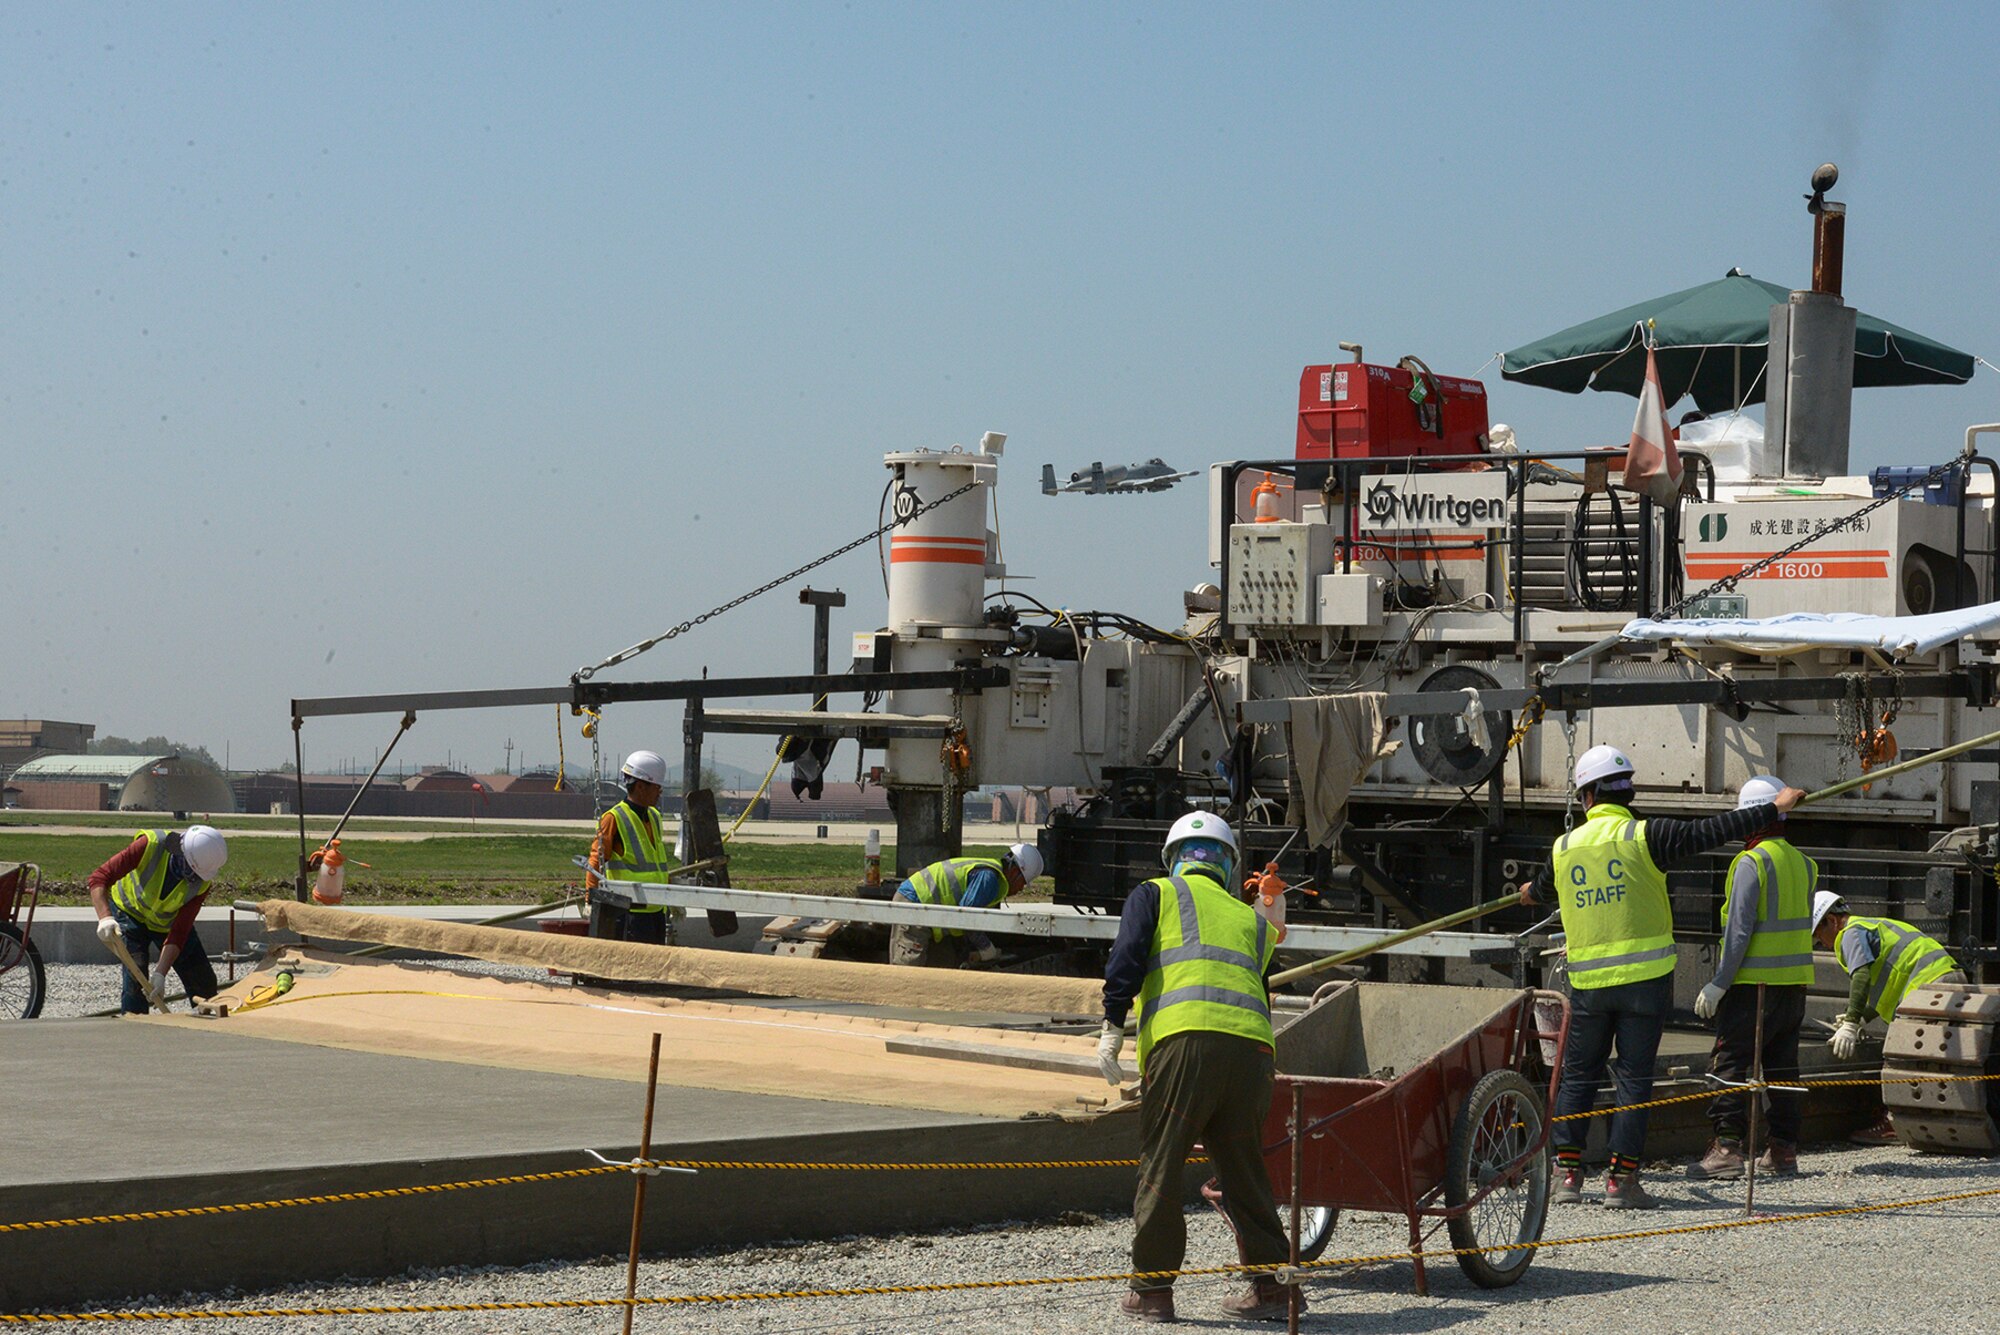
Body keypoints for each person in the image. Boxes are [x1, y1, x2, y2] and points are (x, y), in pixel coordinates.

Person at [1523, 746, 1802, 1210]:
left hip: (1589, 987)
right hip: (1645, 984)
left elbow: (1543, 888)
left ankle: (1567, 1175)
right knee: (1633, 1079)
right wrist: (1772, 808)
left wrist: (1528, 893)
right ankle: (1621, 1182)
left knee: (1577, 1077)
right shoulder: (1646, 836)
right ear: (1627, 792)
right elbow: (1711, 831)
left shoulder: (1564, 847)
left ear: (1586, 794)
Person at [1098, 813, 1299, 1324]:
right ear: (1228, 865)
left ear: (1174, 858)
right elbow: (1258, 988)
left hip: (1184, 1046)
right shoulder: (1250, 919)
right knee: (1245, 1173)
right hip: (1253, 1055)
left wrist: (1112, 1021)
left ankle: (1153, 1292)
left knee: (1161, 1166)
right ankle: (1275, 1290)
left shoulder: (1155, 894)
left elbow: (1127, 956)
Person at [1689, 775, 1818, 1181]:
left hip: (1752, 986)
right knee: (1783, 1068)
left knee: (1728, 1063)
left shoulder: (1751, 862)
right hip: (1793, 984)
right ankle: (1783, 1151)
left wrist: (1719, 983)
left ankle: (1727, 1149)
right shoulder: (1804, 862)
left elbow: (1739, 931)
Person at [1812, 890, 1967, 1144]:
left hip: (1929, 986)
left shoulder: (1849, 934)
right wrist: (1862, 1017)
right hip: (1945, 980)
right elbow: (1888, 986)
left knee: (1903, 1056)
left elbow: (1860, 976)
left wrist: (1851, 1023)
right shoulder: (1871, 927)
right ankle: (1931, 1120)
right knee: (1936, 1060)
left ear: (1832, 919)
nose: (1822, 943)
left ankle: (1895, 1124)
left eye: (1819, 934)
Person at [87, 825, 229, 1014]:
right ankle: (135, 1032)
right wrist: (105, 918)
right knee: (136, 982)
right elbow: (99, 878)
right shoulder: (150, 845)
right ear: (181, 855)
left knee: (203, 981)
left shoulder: (201, 881)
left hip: (166, 925)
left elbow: (180, 932)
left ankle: (207, 1031)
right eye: (191, 872)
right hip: (129, 914)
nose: (194, 879)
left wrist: (160, 973)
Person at [889, 842, 1043, 967]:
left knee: (938, 967)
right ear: (1015, 872)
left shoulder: (992, 876)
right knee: (909, 969)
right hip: (914, 902)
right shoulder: (989, 878)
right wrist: (987, 949)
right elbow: (966, 916)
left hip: (925, 909)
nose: (1021, 889)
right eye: (1023, 883)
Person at [586, 750, 680, 945]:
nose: (659, 793)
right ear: (640, 786)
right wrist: (590, 900)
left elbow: (656, 862)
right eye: (657, 787)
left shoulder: (654, 816)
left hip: (656, 910)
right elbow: (596, 861)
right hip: (630, 914)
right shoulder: (614, 818)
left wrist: (673, 893)